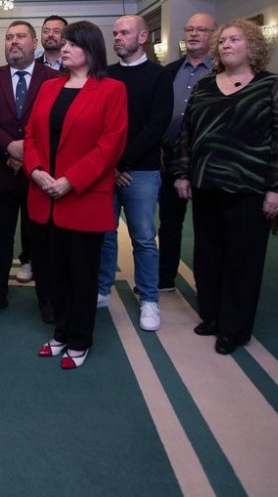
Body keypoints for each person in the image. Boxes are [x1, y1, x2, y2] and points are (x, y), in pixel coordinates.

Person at [172, 18, 278, 355]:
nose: (226, 45)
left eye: (235, 40)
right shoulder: (205, 86)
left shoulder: (272, 85)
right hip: (207, 185)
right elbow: (187, 134)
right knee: (208, 255)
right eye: (223, 41)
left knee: (242, 261)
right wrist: (183, 173)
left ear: (253, 47)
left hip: (250, 188)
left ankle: (235, 328)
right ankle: (211, 315)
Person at [24, 21, 127, 370]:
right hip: (45, 195)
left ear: (91, 49)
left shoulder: (112, 90)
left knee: (82, 275)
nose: (64, 48)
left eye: (72, 44)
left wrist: (70, 180)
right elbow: (32, 135)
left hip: (83, 197)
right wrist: (36, 170)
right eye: (63, 43)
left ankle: (80, 340)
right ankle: (60, 333)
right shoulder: (50, 88)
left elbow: (109, 146)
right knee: (54, 273)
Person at [0, 21, 59, 322]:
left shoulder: (54, 79)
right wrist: (9, 147)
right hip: (0, 172)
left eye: (20, 37)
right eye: (9, 37)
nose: (14, 42)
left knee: (41, 239)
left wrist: (29, 155)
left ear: (34, 43)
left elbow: (57, 123)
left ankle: (47, 297)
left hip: (40, 174)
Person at [97, 16, 173, 333]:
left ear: (142, 36)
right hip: (108, 170)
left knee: (143, 237)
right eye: (114, 33)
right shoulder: (106, 75)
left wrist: (122, 163)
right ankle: (101, 291)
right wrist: (111, 166)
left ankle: (150, 300)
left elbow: (157, 126)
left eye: (124, 32)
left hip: (141, 171)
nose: (117, 38)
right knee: (104, 233)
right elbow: (98, 125)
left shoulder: (159, 76)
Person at [158, 13, 216, 290]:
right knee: (169, 223)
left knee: (208, 229)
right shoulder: (169, 71)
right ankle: (165, 278)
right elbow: (156, 114)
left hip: (209, 161)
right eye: (190, 29)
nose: (193, 34)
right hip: (169, 156)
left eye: (201, 30)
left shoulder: (221, 72)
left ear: (213, 36)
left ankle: (209, 286)